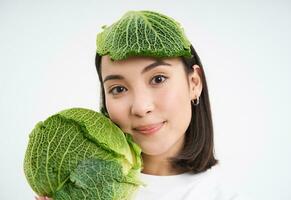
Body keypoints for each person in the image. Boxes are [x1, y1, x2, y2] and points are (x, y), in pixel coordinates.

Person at [36, 10, 239, 200]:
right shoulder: (78, 188)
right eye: (118, 89)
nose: (141, 107)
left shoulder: (221, 194)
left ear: (194, 83)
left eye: (158, 79)